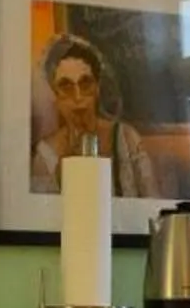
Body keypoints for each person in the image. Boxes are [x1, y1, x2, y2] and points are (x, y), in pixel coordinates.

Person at [29, 32, 157, 198]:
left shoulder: (127, 139)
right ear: (55, 95)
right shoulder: (46, 155)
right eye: (66, 86)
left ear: (97, 88)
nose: (78, 97)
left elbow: (152, 203)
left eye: (85, 84)